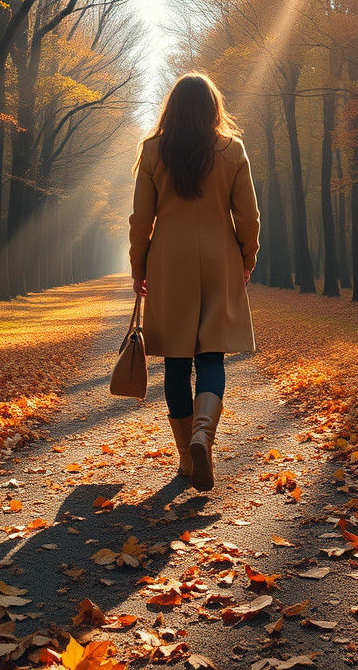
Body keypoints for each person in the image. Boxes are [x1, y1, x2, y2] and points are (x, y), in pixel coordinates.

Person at [128, 72, 261, 491]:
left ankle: (187, 456)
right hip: (219, 261)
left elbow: (140, 220)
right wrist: (246, 257)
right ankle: (205, 434)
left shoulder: (152, 152)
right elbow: (249, 217)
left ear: (172, 108)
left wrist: (138, 267)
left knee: (175, 360)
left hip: (169, 262)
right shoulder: (231, 150)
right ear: (212, 108)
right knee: (211, 357)